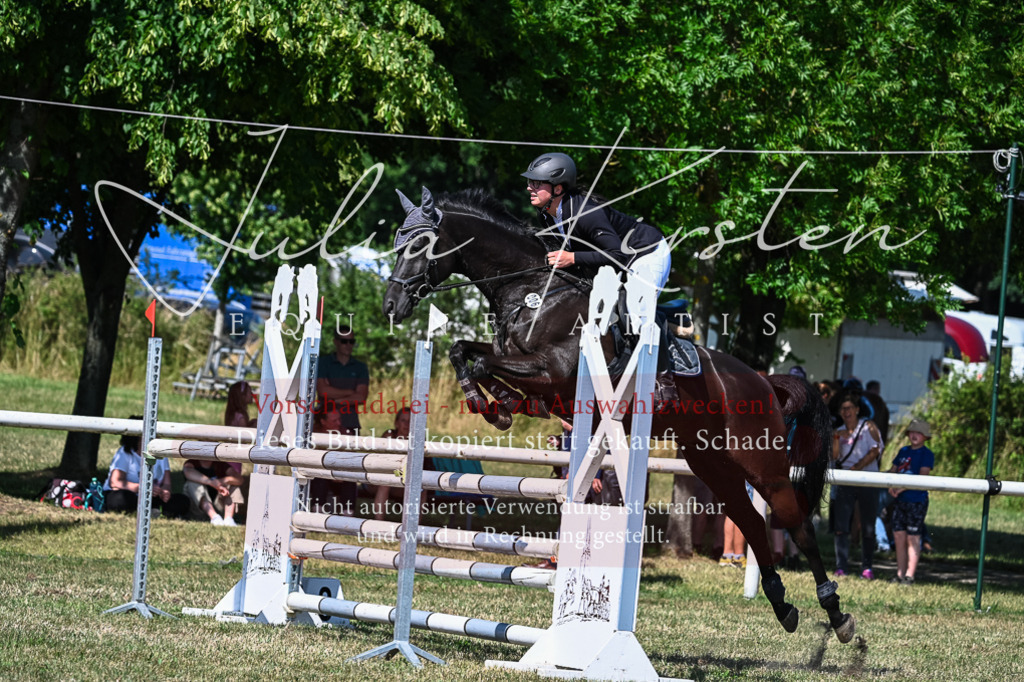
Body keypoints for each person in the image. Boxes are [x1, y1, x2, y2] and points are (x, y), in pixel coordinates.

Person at [521, 152, 679, 403]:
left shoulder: (584, 213)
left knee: (634, 310)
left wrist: (572, 259)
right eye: (531, 182)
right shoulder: (546, 212)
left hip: (645, 253)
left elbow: (615, 254)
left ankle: (664, 379)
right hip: (615, 256)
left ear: (558, 188)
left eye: (537, 184)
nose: (530, 187)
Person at [831, 394, 884, 579]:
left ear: (857, 410)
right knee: (841, 525)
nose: (846, 412)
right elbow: (836, 457)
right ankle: (841, 566)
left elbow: (876, 450)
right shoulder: (838, 431)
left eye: (849, 408)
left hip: (867, 478)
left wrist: (857, 467)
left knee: (868, 524)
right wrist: (837, 438)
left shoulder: (868, 427)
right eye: (843, 409)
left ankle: (867, 567)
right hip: (846, 480)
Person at [103, 419, 188, 518]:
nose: (158, 437)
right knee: (120, 499)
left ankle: (152, 510)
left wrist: (165, 492)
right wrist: (142, 488)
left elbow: (167, 483)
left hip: (152, 497)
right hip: (130, 495)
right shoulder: (125, 453)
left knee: (183, 501)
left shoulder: (161, 453)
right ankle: (151, 510)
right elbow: (115, 482)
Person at [887, 419, 934, 585]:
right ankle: (900, 573)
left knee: (913, 537)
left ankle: (910, 575)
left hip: (917, 501)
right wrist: (891, 485)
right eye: (912, 432)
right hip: (900, 501)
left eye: (919, 433)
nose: (915, 435)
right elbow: (893, 471)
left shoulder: (927, 454)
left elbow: (922, 477)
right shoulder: (903, 451)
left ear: (925, 437)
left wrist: (901, 488)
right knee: (898, 536)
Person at [317, 325, 369, 435]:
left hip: (350, 423)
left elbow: (361, 398)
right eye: (344, 341)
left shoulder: (360, 367)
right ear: (335, 342)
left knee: (349, 452)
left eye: (352, 341)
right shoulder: (323, 363)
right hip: (325, 423)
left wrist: (333, 400)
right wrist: (350, 392)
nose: (348, 345)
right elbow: (322, 391)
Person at [182, 458, 246, 526]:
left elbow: (239, 479)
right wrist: (211, 482)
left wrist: (223, 481)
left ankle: (228, 520)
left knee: (234, 485)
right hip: (197, 507)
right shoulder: (192, 463)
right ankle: (214, 518)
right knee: (192, 484)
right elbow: (187, 472)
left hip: (218, 503)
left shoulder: (220, 464)